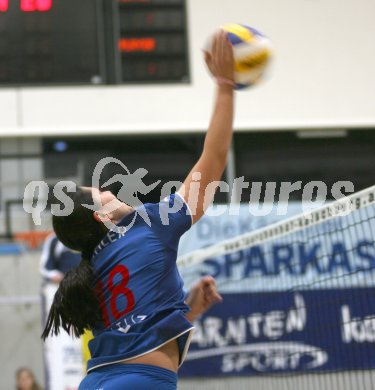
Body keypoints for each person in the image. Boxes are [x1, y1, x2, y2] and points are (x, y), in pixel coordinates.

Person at [41, 30, 235, 390]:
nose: (112, 191)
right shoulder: (146, 226)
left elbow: (132, 336)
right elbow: (215, 159)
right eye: (103, 194)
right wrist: (225, 85)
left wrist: (188, 311)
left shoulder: (92, 268)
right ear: (102, 216)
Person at [40, 235, 85, 390]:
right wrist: (59, 277)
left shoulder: (88, 236)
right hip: (64, 292)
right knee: (64, 346)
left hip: (86, 294)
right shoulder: (54, 240)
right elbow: (45, 268)